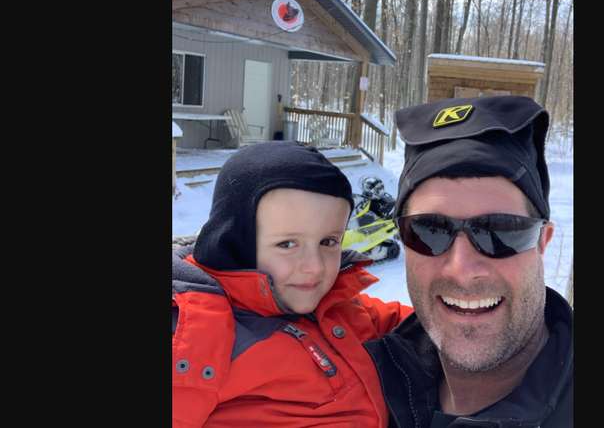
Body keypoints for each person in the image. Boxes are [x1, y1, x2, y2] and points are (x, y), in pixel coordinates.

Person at [364, 95, 573, 428]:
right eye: (429, 230)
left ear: (542, 242)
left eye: (500, 230)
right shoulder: (358, 378)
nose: (461, 268)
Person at [172, 141, 412, 428]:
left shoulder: (338, 306)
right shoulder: (192, 329)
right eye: (287, 244)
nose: (315, 266)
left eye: (328, 242)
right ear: (236, 240)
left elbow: (414, 325)